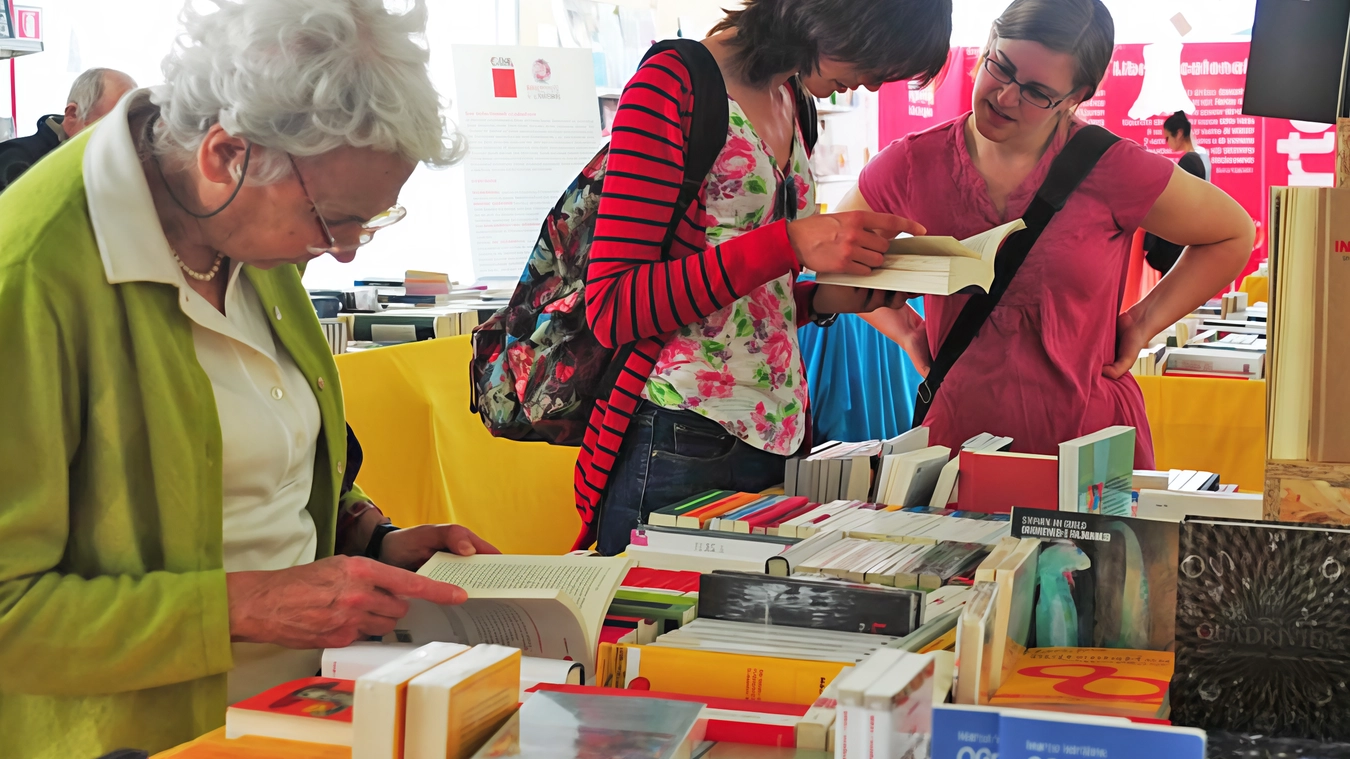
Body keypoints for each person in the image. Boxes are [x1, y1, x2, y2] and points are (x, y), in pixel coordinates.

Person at [0, 0, 497, 755]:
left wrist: (373, 539)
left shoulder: (239, 229)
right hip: (148, 735)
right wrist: (246, 605)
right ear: (225, 155)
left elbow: (267, 455)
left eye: (371, 221)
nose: (347, 254)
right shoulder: (31, 277)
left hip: (302, 707)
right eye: (336, 220)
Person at [581, 0, 955, 555]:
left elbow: (748, 303)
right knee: (656, 633)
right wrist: (792, 242)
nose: (873, 85)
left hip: (776, 431)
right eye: (875, 60)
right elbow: (613, 307)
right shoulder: (673, 84)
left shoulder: (792, 99)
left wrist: (828, 298)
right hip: (680, 428)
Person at [845, 0, 1253, 468]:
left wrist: (1144, 321)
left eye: (1037, 92)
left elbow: (1231, 234)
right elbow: (834, 248)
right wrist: (906, 331)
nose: (1004, 98)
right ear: (988, 45)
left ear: (1076, 95)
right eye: (1000, 68)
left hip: (1087, 444)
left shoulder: (1112, 167)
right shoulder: (916, 161)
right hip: (959, 442)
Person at [0, 67, 137, 192]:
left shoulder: (113, 165)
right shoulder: (16, 159)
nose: (126, 134)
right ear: (72, 114)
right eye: (114, 122)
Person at [1144, 110, 1211, 273]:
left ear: (1179, 133)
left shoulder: (1188, 161)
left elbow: (1178, 202)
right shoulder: (1203, 158)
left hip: (1180, 241)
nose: (1167, 143)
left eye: (1167, 138)